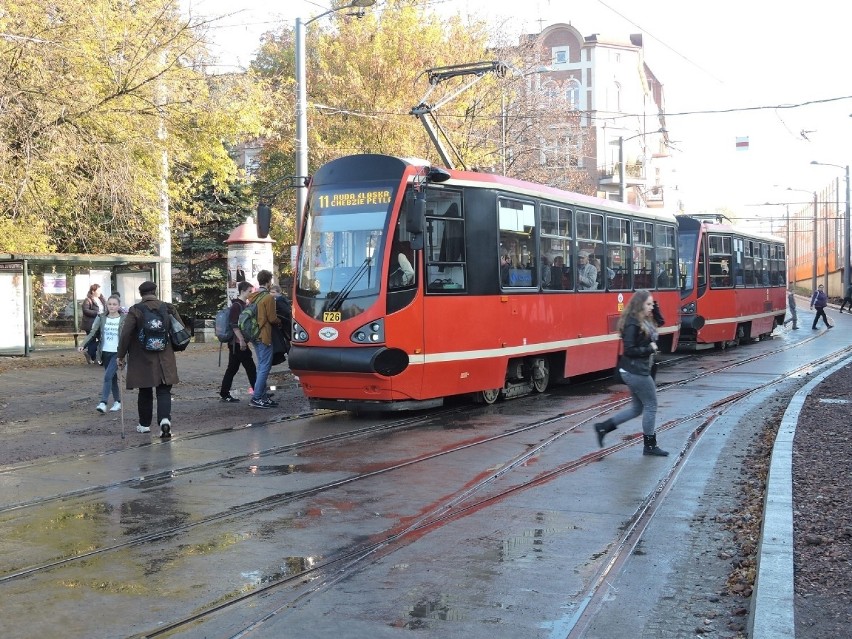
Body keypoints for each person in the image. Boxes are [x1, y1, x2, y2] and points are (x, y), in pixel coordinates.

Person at [593, 289, 669, 456]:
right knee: (651, 405)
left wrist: (653, 305)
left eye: (651, 304)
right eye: (648, 304)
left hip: (639, 370)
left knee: (636, 409)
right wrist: (649, 348)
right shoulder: (632, 322)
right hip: (636, 371)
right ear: (639, 304)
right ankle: (649, 445)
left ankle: (603, 427)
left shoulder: (645, 318)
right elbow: (630, 349)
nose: (651, 307)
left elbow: (661, 321)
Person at [116, 281, 182, 437]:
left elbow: (126, 334)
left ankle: (144, 425)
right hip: (164, 355)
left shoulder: (135, 310)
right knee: (164, 390)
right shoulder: (168, 308)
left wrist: (121, 355)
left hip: (142, 357)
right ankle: (165, 421)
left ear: (141, 294)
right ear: (155, 291)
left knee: (145, 390)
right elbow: (179, 327)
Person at [78, 294, 124, 414]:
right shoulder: (102, 317)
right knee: (112, 378)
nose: (112, 307)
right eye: (109, 304)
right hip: (105, 352)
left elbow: (128, 335)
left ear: (119, 306)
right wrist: (83, 343)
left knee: (107, 376)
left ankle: (103, 402)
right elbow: (93, 332)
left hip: (118, 353)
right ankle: (117, 401)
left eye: (114, 304)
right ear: (106, 305)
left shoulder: (124, 319)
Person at [218, 281, 257, 402]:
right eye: (249, 292)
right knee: (250, 367)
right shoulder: (237, 306)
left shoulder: (242, 304)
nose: (251, 294)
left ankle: (224, 393)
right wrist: (241, 340)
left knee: (233, 368)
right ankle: (259, 392)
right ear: (243, 291)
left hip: (236, 344)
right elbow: (234, 324)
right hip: (237, 343)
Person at [248, 269, 281, 409]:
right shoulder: (268, 298)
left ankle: (261, 396)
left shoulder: (253, 296)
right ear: (268, 281)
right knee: (264, 367)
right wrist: (280, 321)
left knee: (261, 366)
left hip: (254, 335)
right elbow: (272, 318)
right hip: (264, 335)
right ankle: (257, 397)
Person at [81, 283, 106, 364]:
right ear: (93, 291)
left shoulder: (101, 299)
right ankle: (92, 356)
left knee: (101, 339)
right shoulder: (88, 300)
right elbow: (85, 310)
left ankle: (91, 355)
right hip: (90, 324)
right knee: (92, 340)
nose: (100, 292)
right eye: (98, 290)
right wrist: (97, 312)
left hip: (101, 323)